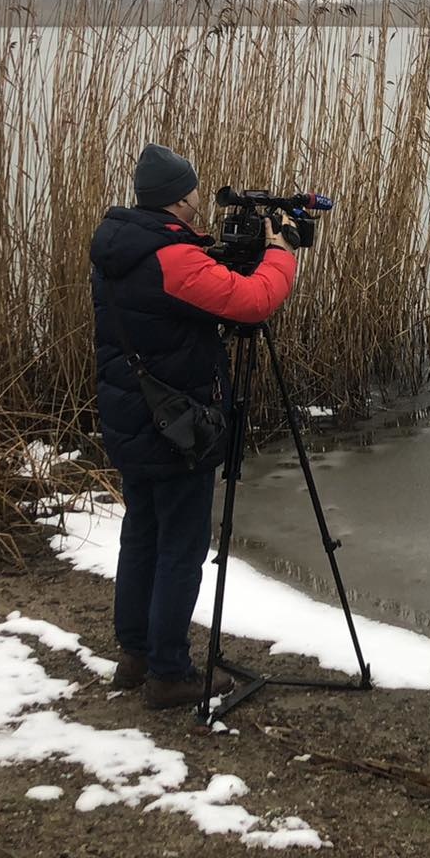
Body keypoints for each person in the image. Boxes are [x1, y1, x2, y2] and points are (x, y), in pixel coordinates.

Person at [89, 143, 299, 710]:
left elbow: (174, 311)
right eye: (195, 191)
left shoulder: (121, 247)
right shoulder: (173, 260)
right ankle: (169, 672)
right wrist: (282, 253)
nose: (201, 200)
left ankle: (134, 655)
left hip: (132, 417)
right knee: (181, 547)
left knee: (142, 534)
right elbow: (254, 303)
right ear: (180, 198)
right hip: (175, 428)